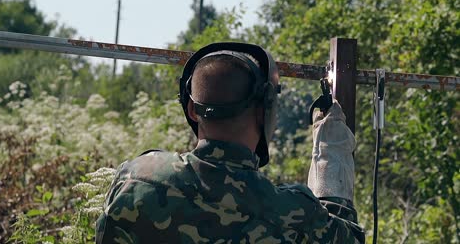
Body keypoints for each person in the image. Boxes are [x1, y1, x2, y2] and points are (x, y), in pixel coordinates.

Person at [96, 42, 365, 243]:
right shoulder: (292, 214)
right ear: (265, 110)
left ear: (191, 109)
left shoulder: (136, 180)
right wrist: (330, 154)